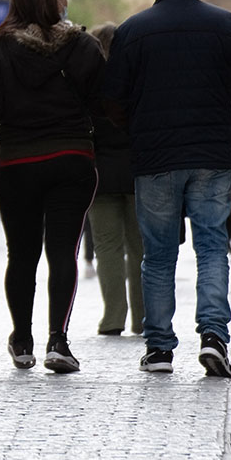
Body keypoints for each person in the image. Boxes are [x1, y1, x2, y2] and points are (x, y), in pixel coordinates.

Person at [103, 0, 231, 377]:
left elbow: (112, 101)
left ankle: (159, 348)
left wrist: (136, 133)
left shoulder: (133, 31)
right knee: (211, 246)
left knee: (157, 255)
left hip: (155, 159)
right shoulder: (224, 24)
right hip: (212, 156)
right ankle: (213, 336)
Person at [0, 0, 105, 374]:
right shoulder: (84, 47)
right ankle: (57, 341)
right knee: (64, 252)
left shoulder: (2, 48)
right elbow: (107, 107)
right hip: (72, 162)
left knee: (21, 255)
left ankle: (21, 339)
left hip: (18, 164)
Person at [87, 22, 143, 337]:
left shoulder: (90, 84)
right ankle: (142, 318)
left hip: (101, 175)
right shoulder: (135, 80)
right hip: (137, 173)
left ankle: (113, 317)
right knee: (139, 247)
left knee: (107, 246)